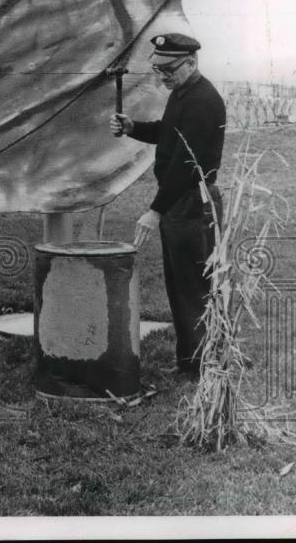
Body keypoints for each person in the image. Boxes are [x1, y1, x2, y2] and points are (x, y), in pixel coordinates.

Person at [110, 33, 226, 377]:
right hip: (181, 203)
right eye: (157, 69)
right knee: (182, 286)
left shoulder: (204, 101)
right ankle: (192, 362)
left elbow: (185, 167)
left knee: (193, 287)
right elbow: (168, 132)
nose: (162, 76)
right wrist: (133, 127)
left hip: (191, 203)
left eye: (168, 69)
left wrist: (155, 211)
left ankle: (203, 367)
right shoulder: (184, 93)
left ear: (191, 63)